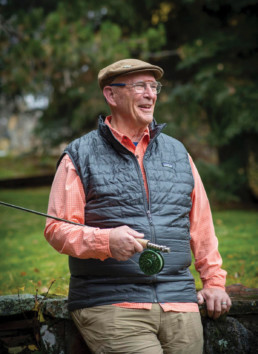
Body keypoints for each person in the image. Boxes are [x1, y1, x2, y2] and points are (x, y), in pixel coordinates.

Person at [44, 58, 231, 354]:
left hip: (179, 301)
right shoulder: (79, 155)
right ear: (111, 94)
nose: (151, 94)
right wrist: (105, 241)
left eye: (154, 86)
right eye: (139, 86)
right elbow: (56, 229)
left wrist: (214, 282)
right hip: (109, 302)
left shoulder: (178, 152)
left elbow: (201, 226)